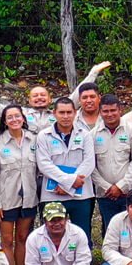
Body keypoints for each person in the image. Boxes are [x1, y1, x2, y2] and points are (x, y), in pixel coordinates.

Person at [0, 59, 109, 133]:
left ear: (49, 98)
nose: (39, 98)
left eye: (43, 95)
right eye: (35, 96)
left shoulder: (59, 113)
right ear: (29, 100)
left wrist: (93, 73)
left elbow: (76, 97)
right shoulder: (21, 114)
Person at [0, 105, 40, 265]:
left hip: (29, 197)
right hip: (6, 199)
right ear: (4, 121)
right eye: (9, 117)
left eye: (17, 116)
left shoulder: (34, 140)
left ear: (23, 118)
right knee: (7, 241)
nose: (14, 120)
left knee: (23, 238)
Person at [35, 97, 98, 236]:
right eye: (61, 112)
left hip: (81, 195)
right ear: (54, 113)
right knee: (52, 235)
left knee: (82, 234)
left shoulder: (85, 134)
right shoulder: (43, 136)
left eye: (69, 112)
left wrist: (66, 185)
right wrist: (69, 182)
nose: (65, 116)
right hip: (53, 194)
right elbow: (44, 164)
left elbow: (89, 162)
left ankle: (83, 258)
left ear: (75, 113)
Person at [90, 94, 132, 240]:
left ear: (120, 110)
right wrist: (107, 187)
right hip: (105, 194)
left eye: (113, 110)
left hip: (131, 192)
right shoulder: (92, 135)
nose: (109, 114)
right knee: (110, 230)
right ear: (100, 112)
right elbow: (90, 165)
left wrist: (121, 186)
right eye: (105, 111)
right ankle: (112, 260)